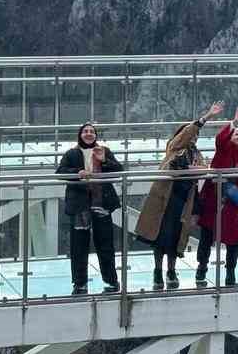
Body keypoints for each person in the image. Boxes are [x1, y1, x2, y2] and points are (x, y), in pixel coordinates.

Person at [134, 102, 219, 289]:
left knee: (176, 238)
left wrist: (195, 169)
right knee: (159, 237)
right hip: (166, 198)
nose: (194, 137)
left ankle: (171, 270)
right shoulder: (174, 148)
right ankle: (157, 270)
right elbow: (183, 165)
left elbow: (202, 173)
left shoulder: (196, 154)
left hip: (184, 200)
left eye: (196, 135)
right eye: (191, 133)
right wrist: (206, 117)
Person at [55, 122, 126, 295]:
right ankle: (80, 283)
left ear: (96, 135)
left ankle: (111, 280)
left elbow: (118, 170)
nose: (88, 134)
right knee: (79, 246)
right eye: (85, 131)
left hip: (101, 203)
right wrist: (77, 172)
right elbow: (60, 172)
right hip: (80, 206)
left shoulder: (104, 151)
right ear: (80, 135)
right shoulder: (72, 153)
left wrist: (104, 160)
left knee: (105, 244)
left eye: (92, 132)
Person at [194, 106, 238, 286]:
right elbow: (220, 139)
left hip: (234, 204)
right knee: (206, 236)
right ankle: (202, 267)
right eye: (237, 134)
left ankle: (230, 272)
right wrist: (235, 122)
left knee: (233, 241)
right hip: (215, 201)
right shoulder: (224, 149)